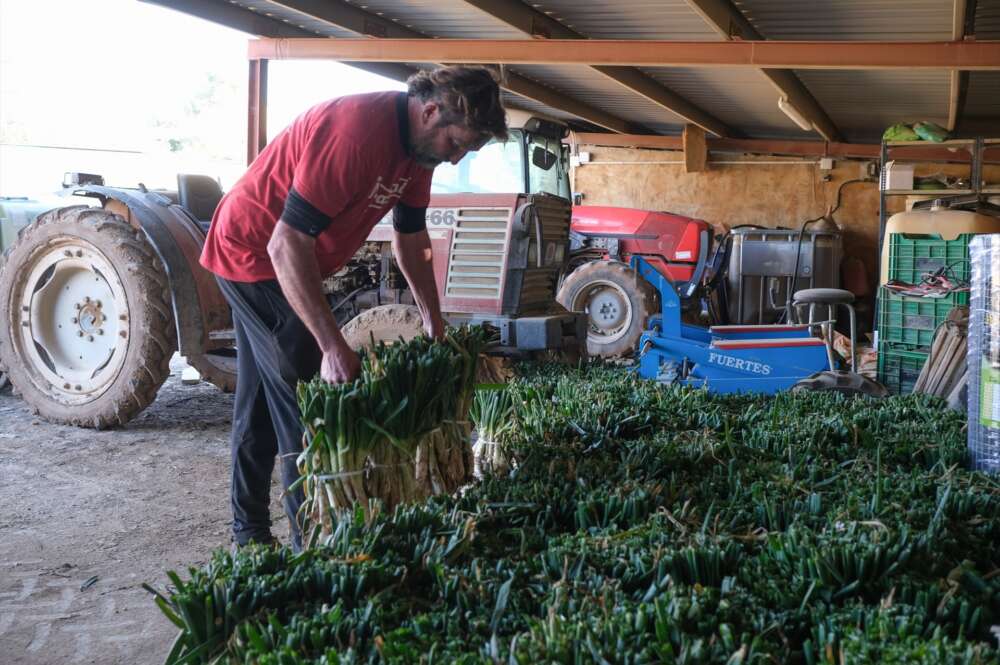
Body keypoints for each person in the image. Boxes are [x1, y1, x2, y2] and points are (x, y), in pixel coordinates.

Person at [199, 66, 508, 550]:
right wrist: (332, 345)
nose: (456, 159)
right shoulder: (356, 133)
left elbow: (411, 239)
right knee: (308, 395)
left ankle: (250, 535)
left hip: (289, 258)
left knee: (260, 400)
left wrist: (432, 318)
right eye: (458, 144)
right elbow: (286, 244)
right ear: (430, 112)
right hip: (254, 253)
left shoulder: (419, 155)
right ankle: (315, 545)